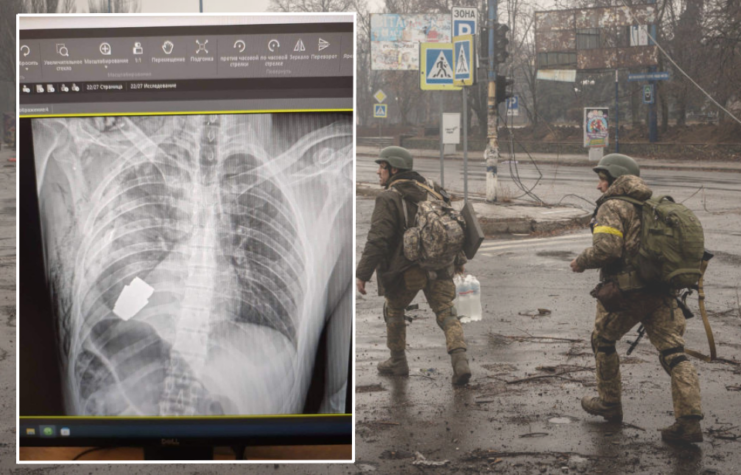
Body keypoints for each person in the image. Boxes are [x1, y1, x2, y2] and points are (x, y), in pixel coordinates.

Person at [570, 154, 704, 443]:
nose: (598, 186)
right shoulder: (652, 205)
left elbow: (607, 249)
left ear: (615, 178)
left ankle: (609, 404)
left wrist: (581, 261)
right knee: (673, 353)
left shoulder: (612, 205)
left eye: (602, 179)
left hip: (627, 294)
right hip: (662, 292)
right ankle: (689, 420)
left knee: (603, 341)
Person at [356, 146, 471, 386]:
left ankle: (398, 362)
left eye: (382, 166)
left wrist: (362, 274)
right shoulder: (434, 189)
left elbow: (378, 238)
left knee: (394, 309)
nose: (378, 172)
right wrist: (459, 261)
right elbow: (451, 224)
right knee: (446, 311)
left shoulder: (388, 197)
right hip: (440, 266)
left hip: (406, 271)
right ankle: (460, 361)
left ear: (394, 169)